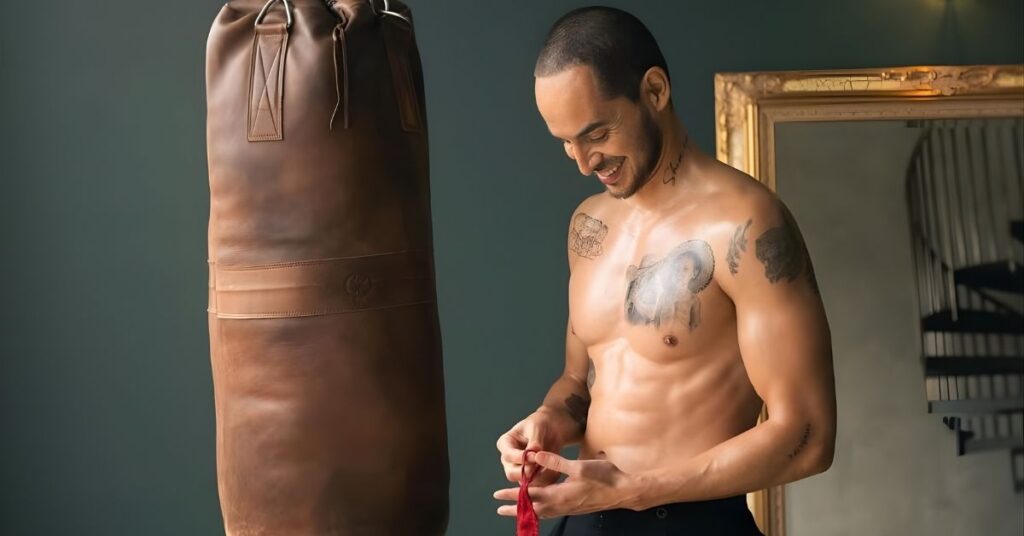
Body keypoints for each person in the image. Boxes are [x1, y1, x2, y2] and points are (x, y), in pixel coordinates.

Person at [492, 7, 837, 535]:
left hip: (690, 523)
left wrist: (633, 491)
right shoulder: (589, 224)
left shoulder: (744, 224)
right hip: (580, 518)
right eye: (565, 142)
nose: (584, 163)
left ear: (654, 91)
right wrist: (547, 422)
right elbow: (578, 381)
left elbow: (809, 435)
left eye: (597, 133)